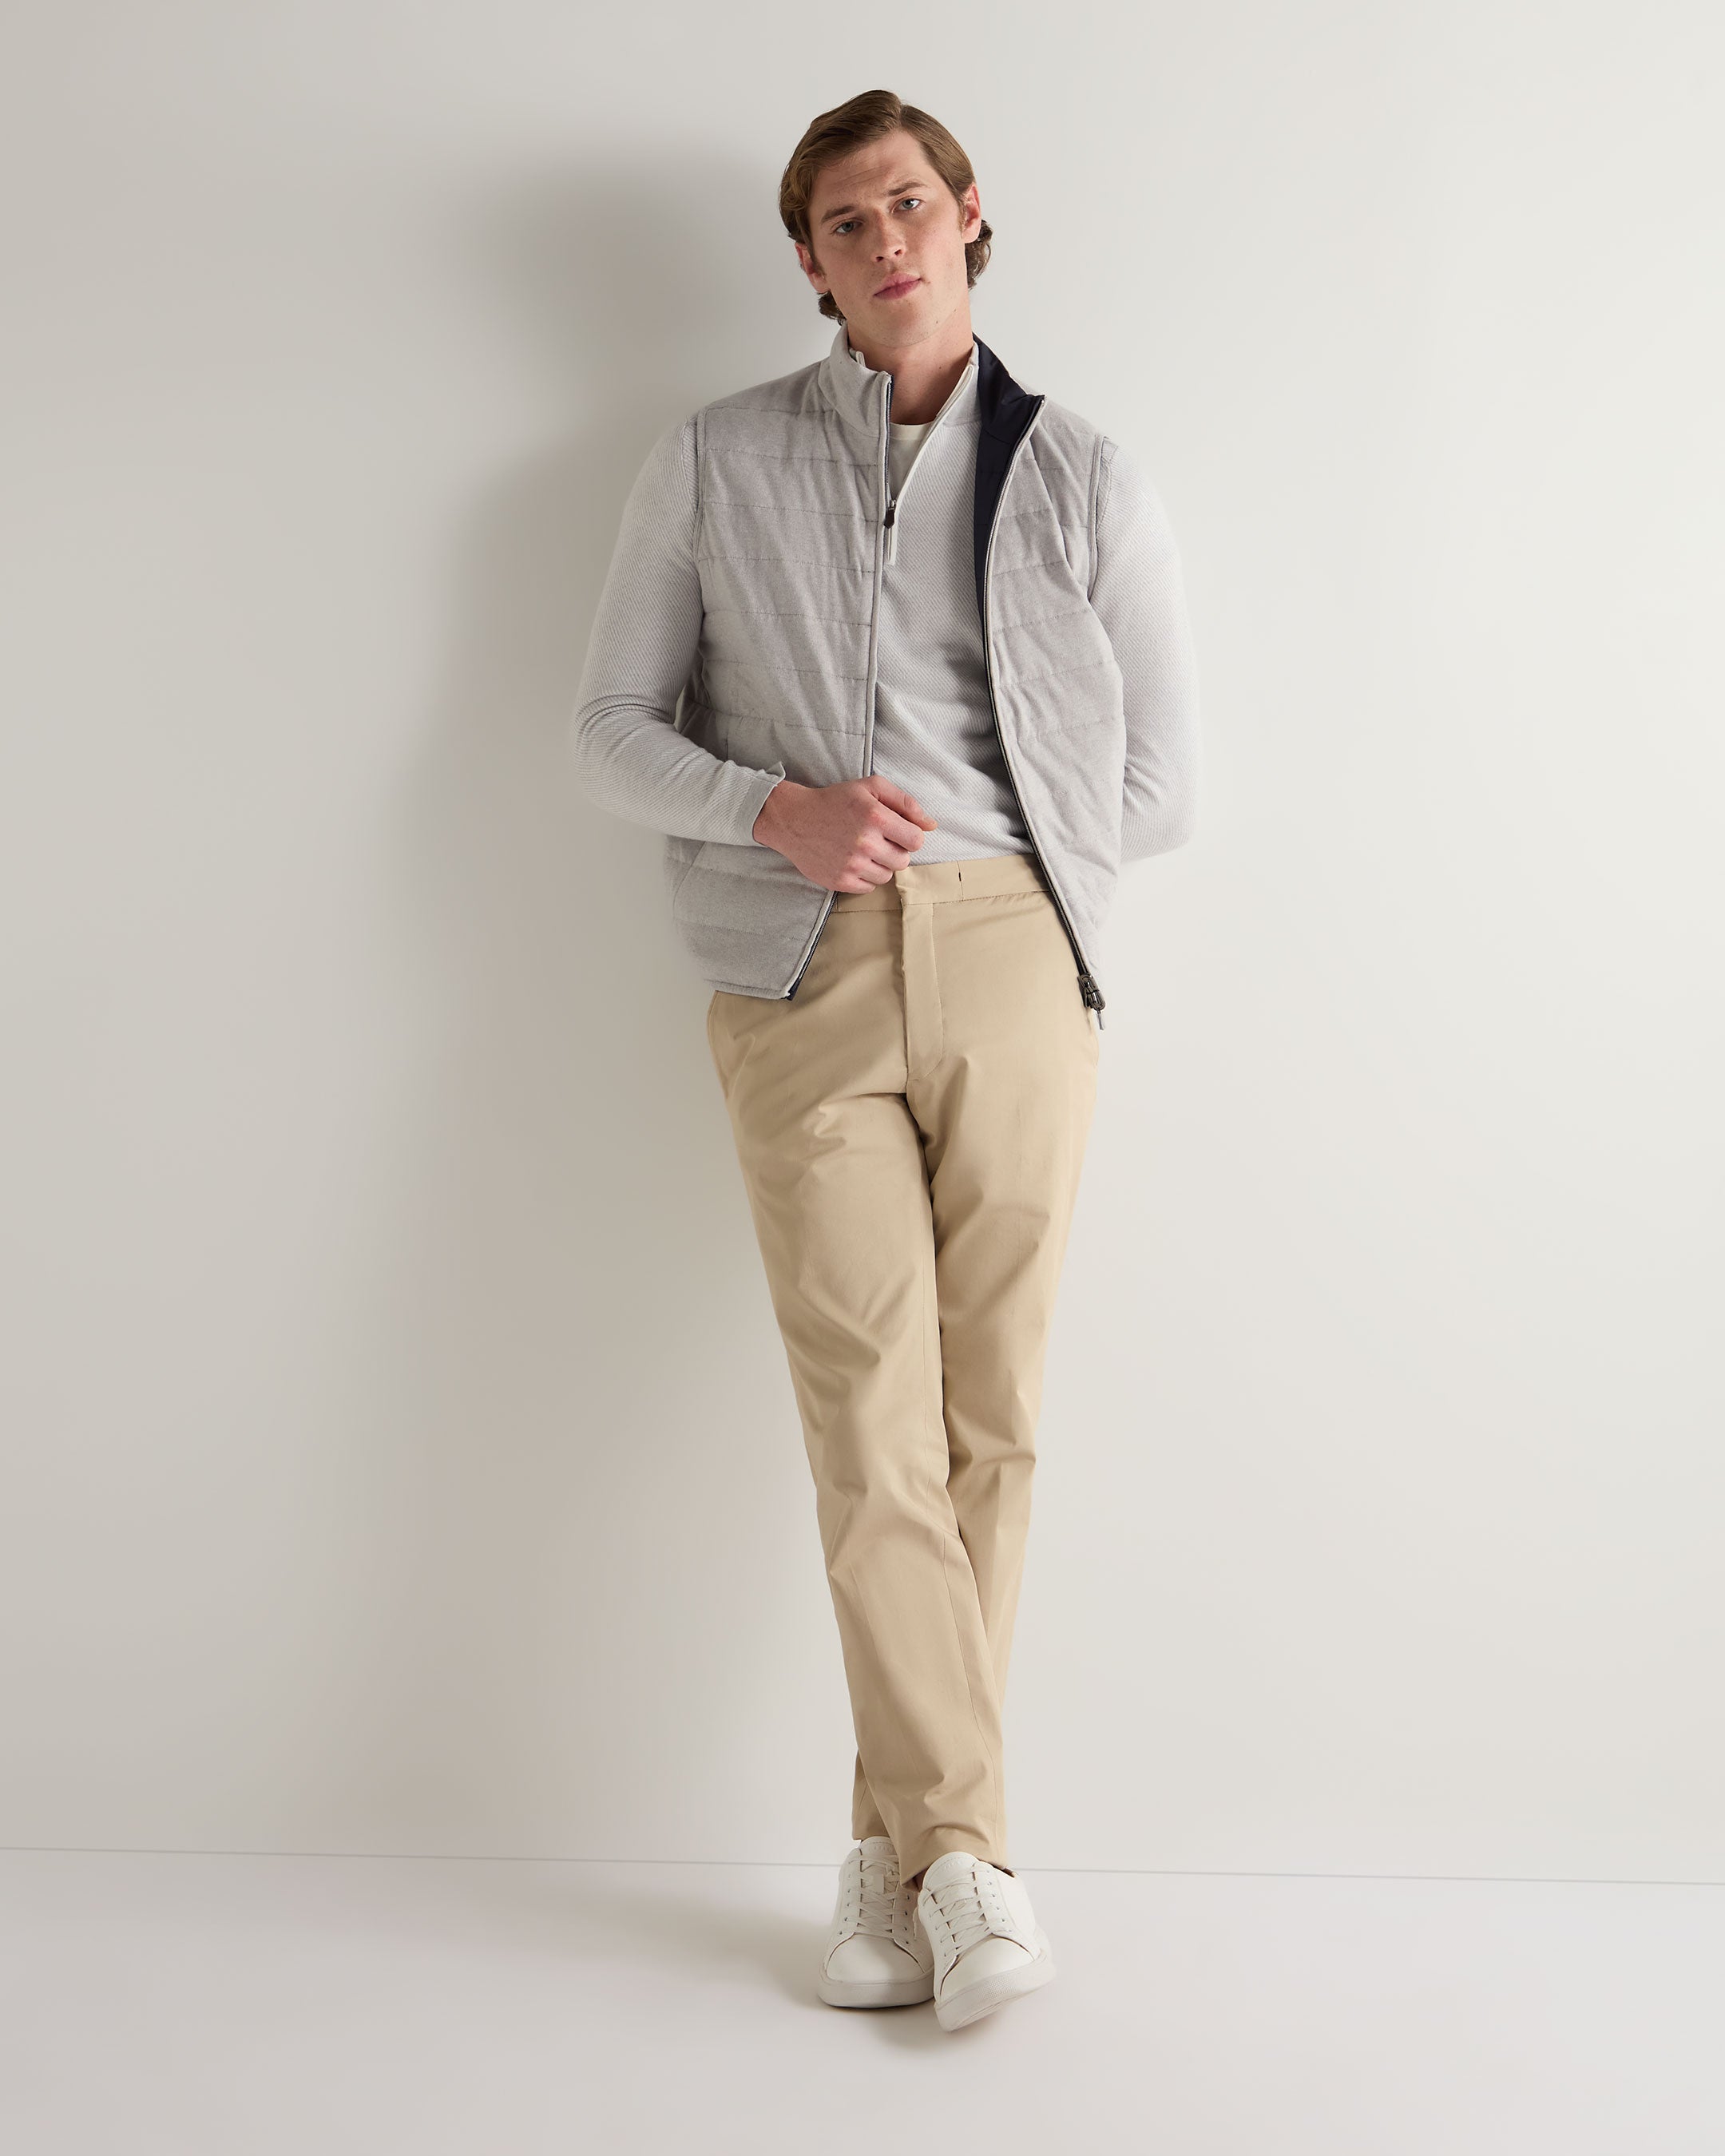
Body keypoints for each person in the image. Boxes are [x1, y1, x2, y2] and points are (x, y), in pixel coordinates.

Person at [569, 88, 1200, 2031]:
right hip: (799, 967)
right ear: (813, 262)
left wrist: (1015, 875)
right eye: (846, 223)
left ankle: (898, 1855)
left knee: (989, 1422)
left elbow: (1164, 783)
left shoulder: (1080, 472)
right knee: (871, 1419)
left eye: (910, 204)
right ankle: (971, 1862)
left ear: (968, 215)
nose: (887, 242)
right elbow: (610, 727)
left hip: (1018, 956)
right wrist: (776, 813)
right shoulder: (714, 458)